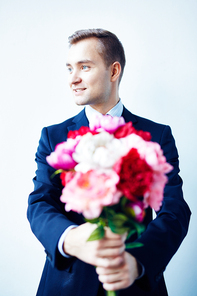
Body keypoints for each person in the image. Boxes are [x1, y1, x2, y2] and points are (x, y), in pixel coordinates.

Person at [27, 29, 191, 296]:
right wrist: (69, 238)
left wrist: (138, 261)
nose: (73, 79)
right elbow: (40, 203)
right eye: (69, 68)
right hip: (66, 285)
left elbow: (174, 211)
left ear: (113, 72)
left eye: (84, 67)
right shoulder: (53, 136)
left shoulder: (157, 136)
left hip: (133, 285)